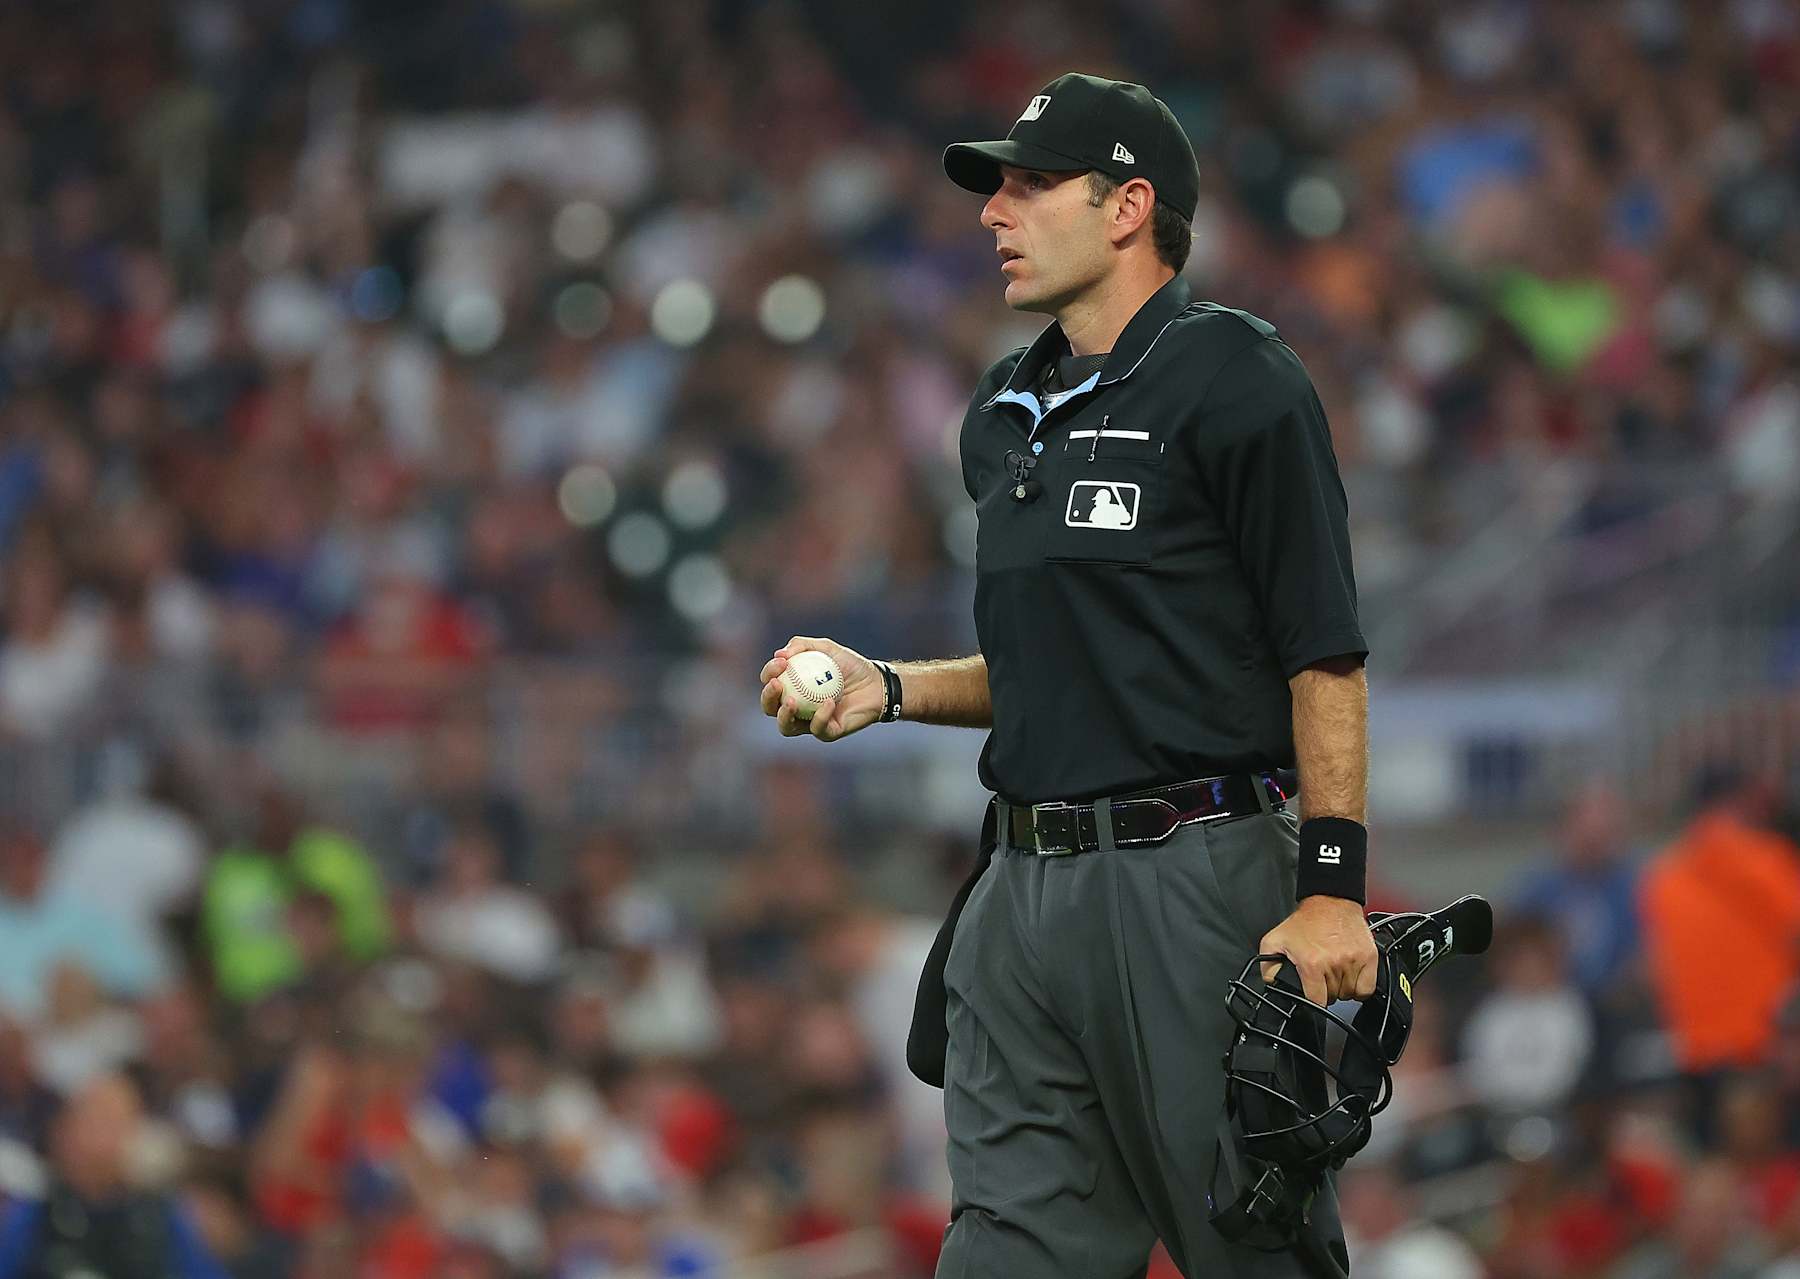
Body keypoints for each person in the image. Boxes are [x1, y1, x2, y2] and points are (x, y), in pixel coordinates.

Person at [759, 72, 1375, 1278]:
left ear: (1128, 205)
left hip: (1192, 877)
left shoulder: (1237, 378)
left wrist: (1333, 884)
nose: (995, 210)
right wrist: (889, 685)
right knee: (1006, 1252)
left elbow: (1323, 649)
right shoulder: (1001, 410)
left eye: (1032, 184)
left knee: (1249, 1241)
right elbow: (1060, 667)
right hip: (1022, 882)